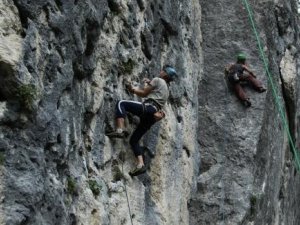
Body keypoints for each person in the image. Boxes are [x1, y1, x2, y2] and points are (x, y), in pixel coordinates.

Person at [106, 65, 177, 176]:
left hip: (149, 107)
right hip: (152, 116)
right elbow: (152, 91)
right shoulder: (167, 90)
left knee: (121, 103)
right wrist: (148, 83)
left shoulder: (157, 80)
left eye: (163, 70)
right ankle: (140, 164)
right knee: (134, 140)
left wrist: (132, 89)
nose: (161, 71)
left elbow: (144, 93)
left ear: (165, 74)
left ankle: (120, 129)